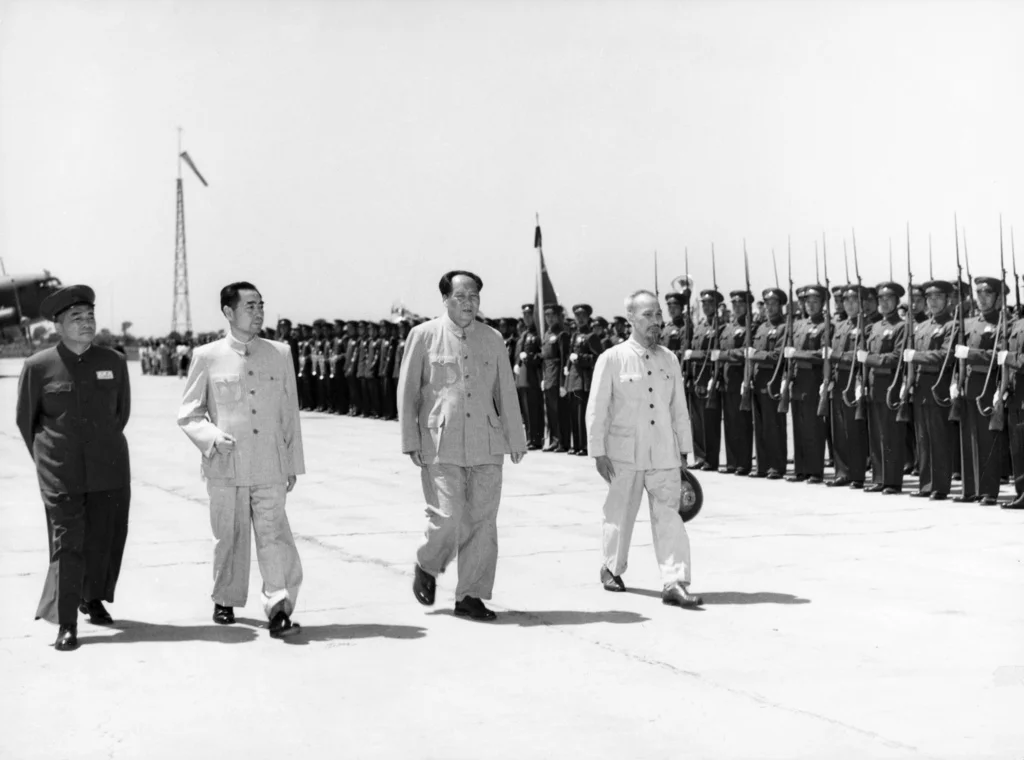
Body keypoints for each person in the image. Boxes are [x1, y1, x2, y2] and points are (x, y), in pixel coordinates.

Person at [178, 281, 305, 639]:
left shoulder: (279, 353)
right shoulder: (207, 356)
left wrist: (292, 464)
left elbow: (289, 413)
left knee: (273, 536)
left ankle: (278, 607)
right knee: (229, 537)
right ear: (228, 312)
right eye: (250, 306)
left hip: (269, 463)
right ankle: (225, 599)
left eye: (261, 305)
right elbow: (189, 413)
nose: (258, 312)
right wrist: (211, 438)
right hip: (226, 464)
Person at [398, 270, 527, 621]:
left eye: (474, 296)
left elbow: (505, 391)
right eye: (460, 296)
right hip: (441, 442)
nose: (468, 303)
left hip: (487, 441)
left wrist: (515, 438)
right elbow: (408, 392)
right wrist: (410, 439)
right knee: (448, 517)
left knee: (483, 522)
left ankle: (471, 596)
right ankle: (428, 564)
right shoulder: (423, 336)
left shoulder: (493, 338)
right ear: (445, 299)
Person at [16, 285, 132, 651]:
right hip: (61, 471)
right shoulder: (38, 366)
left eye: (90, 316)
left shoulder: (114, 362)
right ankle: (66, 621)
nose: (86, 323)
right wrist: (49, 460)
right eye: (76, 318)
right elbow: (26, 421)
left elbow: (121, 413)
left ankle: (91, 598)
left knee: (104, 539)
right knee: (67, 543)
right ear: (58, 326)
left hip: (108, 467)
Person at [586, 289, 702, 608]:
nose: (655, 321)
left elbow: (679, 408)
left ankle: (675, 581)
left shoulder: (669, 359)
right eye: (647, 315)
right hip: (623, 453)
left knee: (669, 517)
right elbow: (597, 409)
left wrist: (684, 450)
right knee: (620, 513)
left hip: (663, 451)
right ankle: (611, 567)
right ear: (631, 319)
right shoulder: (612, 358)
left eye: (658, 314)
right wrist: (598, 451)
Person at [953, 276, 1009, 505]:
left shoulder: (1002, 323)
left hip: (987, 383)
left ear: (998, 298)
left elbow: (999, 356)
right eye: (979, 294)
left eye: (988, 294)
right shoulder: (969, 323)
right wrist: (956, 381)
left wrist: (971, 354)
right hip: (968, 384)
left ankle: (987, 491)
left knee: (987, 442)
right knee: (968, 439)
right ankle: (970, 489)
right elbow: (958, 357)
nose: (983, 299)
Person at [904, 280, 957, 500]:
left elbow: (945, 355)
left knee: (939, 438)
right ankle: (926, 484)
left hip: (938, 386)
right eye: (930, 298)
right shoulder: (921, 327)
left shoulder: (951, 325)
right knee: (923, 438)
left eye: (938, 297)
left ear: (948, 300)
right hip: (920, 387)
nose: (933, 302)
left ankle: (940, 486)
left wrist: (916, 356)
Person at [859, 282, 908, 494]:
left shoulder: (901, 326)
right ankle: (879, 478)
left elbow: (897, 358)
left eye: (889, 299)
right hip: (873, 387)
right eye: (881, 299)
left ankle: (892, 481)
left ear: (897, 301)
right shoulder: (875, 327)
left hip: (890, 388)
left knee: (891, 436)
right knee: (876, 435)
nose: (884, 302)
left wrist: (869, 358)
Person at [784, 284, 828, 483]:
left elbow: (823, 354)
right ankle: (800, 470)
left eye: (815, 302)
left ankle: (815, 471)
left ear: (822, 304)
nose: (810, 305)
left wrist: (798, 354)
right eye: (807, 302)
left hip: (813, 381)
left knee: (813, 428)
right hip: (797, 381)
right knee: (799, 428)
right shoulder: (798, 325)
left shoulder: (825, 326)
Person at [748, 287, 788, 479]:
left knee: (774, 426)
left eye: (773, 304)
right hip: (757, 382)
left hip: (772, 383)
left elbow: (778, 356)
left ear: (780, 306)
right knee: (760, 427)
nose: (769, 308)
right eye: (767, 304)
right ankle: (763, 466)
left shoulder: (783, 328)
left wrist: (756, 354)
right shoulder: (760, 328)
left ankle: (776, 466)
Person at [716, 290, 755, 475]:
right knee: (730, 423)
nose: (737, 308)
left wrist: (724, 355)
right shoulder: (727, 328)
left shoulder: (751, 327)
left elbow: (745, 352)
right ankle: (731, 462)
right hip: (727, 380)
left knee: (742, 423)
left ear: (748, 306)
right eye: (735, 304)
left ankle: (743, 463)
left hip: (740, 379)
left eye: (741, 304)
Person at [565, 304, 604, 456]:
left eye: (582, 316)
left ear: (588, 317)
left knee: (582, 414)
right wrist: (567, 369)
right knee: (573, 414)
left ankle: (585, 445)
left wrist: (581, 358)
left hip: (584, 380)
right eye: (577, 316)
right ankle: (576, 445)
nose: (580, 319)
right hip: (573, 379)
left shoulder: (591, 336)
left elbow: (599, 358)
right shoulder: (575, 335)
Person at [514, 304, 545, 450]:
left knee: (534, 410)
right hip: (522, 378)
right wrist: (517, 364)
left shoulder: (538, 334)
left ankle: (536, 439)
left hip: (533, 377)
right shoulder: (524, 335)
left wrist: (530, 357)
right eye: (524, 315)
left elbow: (543, 355)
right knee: (526, 411)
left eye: (529, 314)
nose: (526, 318)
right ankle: (529, 437)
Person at [541, 303, 571, 452]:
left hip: (557, 375)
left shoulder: (562, 334)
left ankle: (562, 442)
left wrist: (563, 383)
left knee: (560, 411)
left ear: (559, 316)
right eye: (547, 315)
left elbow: (564, 358)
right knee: (551, 411)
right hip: (548, 376)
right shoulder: (546, 334)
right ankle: (554, 440)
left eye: (552, 315)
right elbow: (544, 358)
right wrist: (543, 378)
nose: (550, 318)